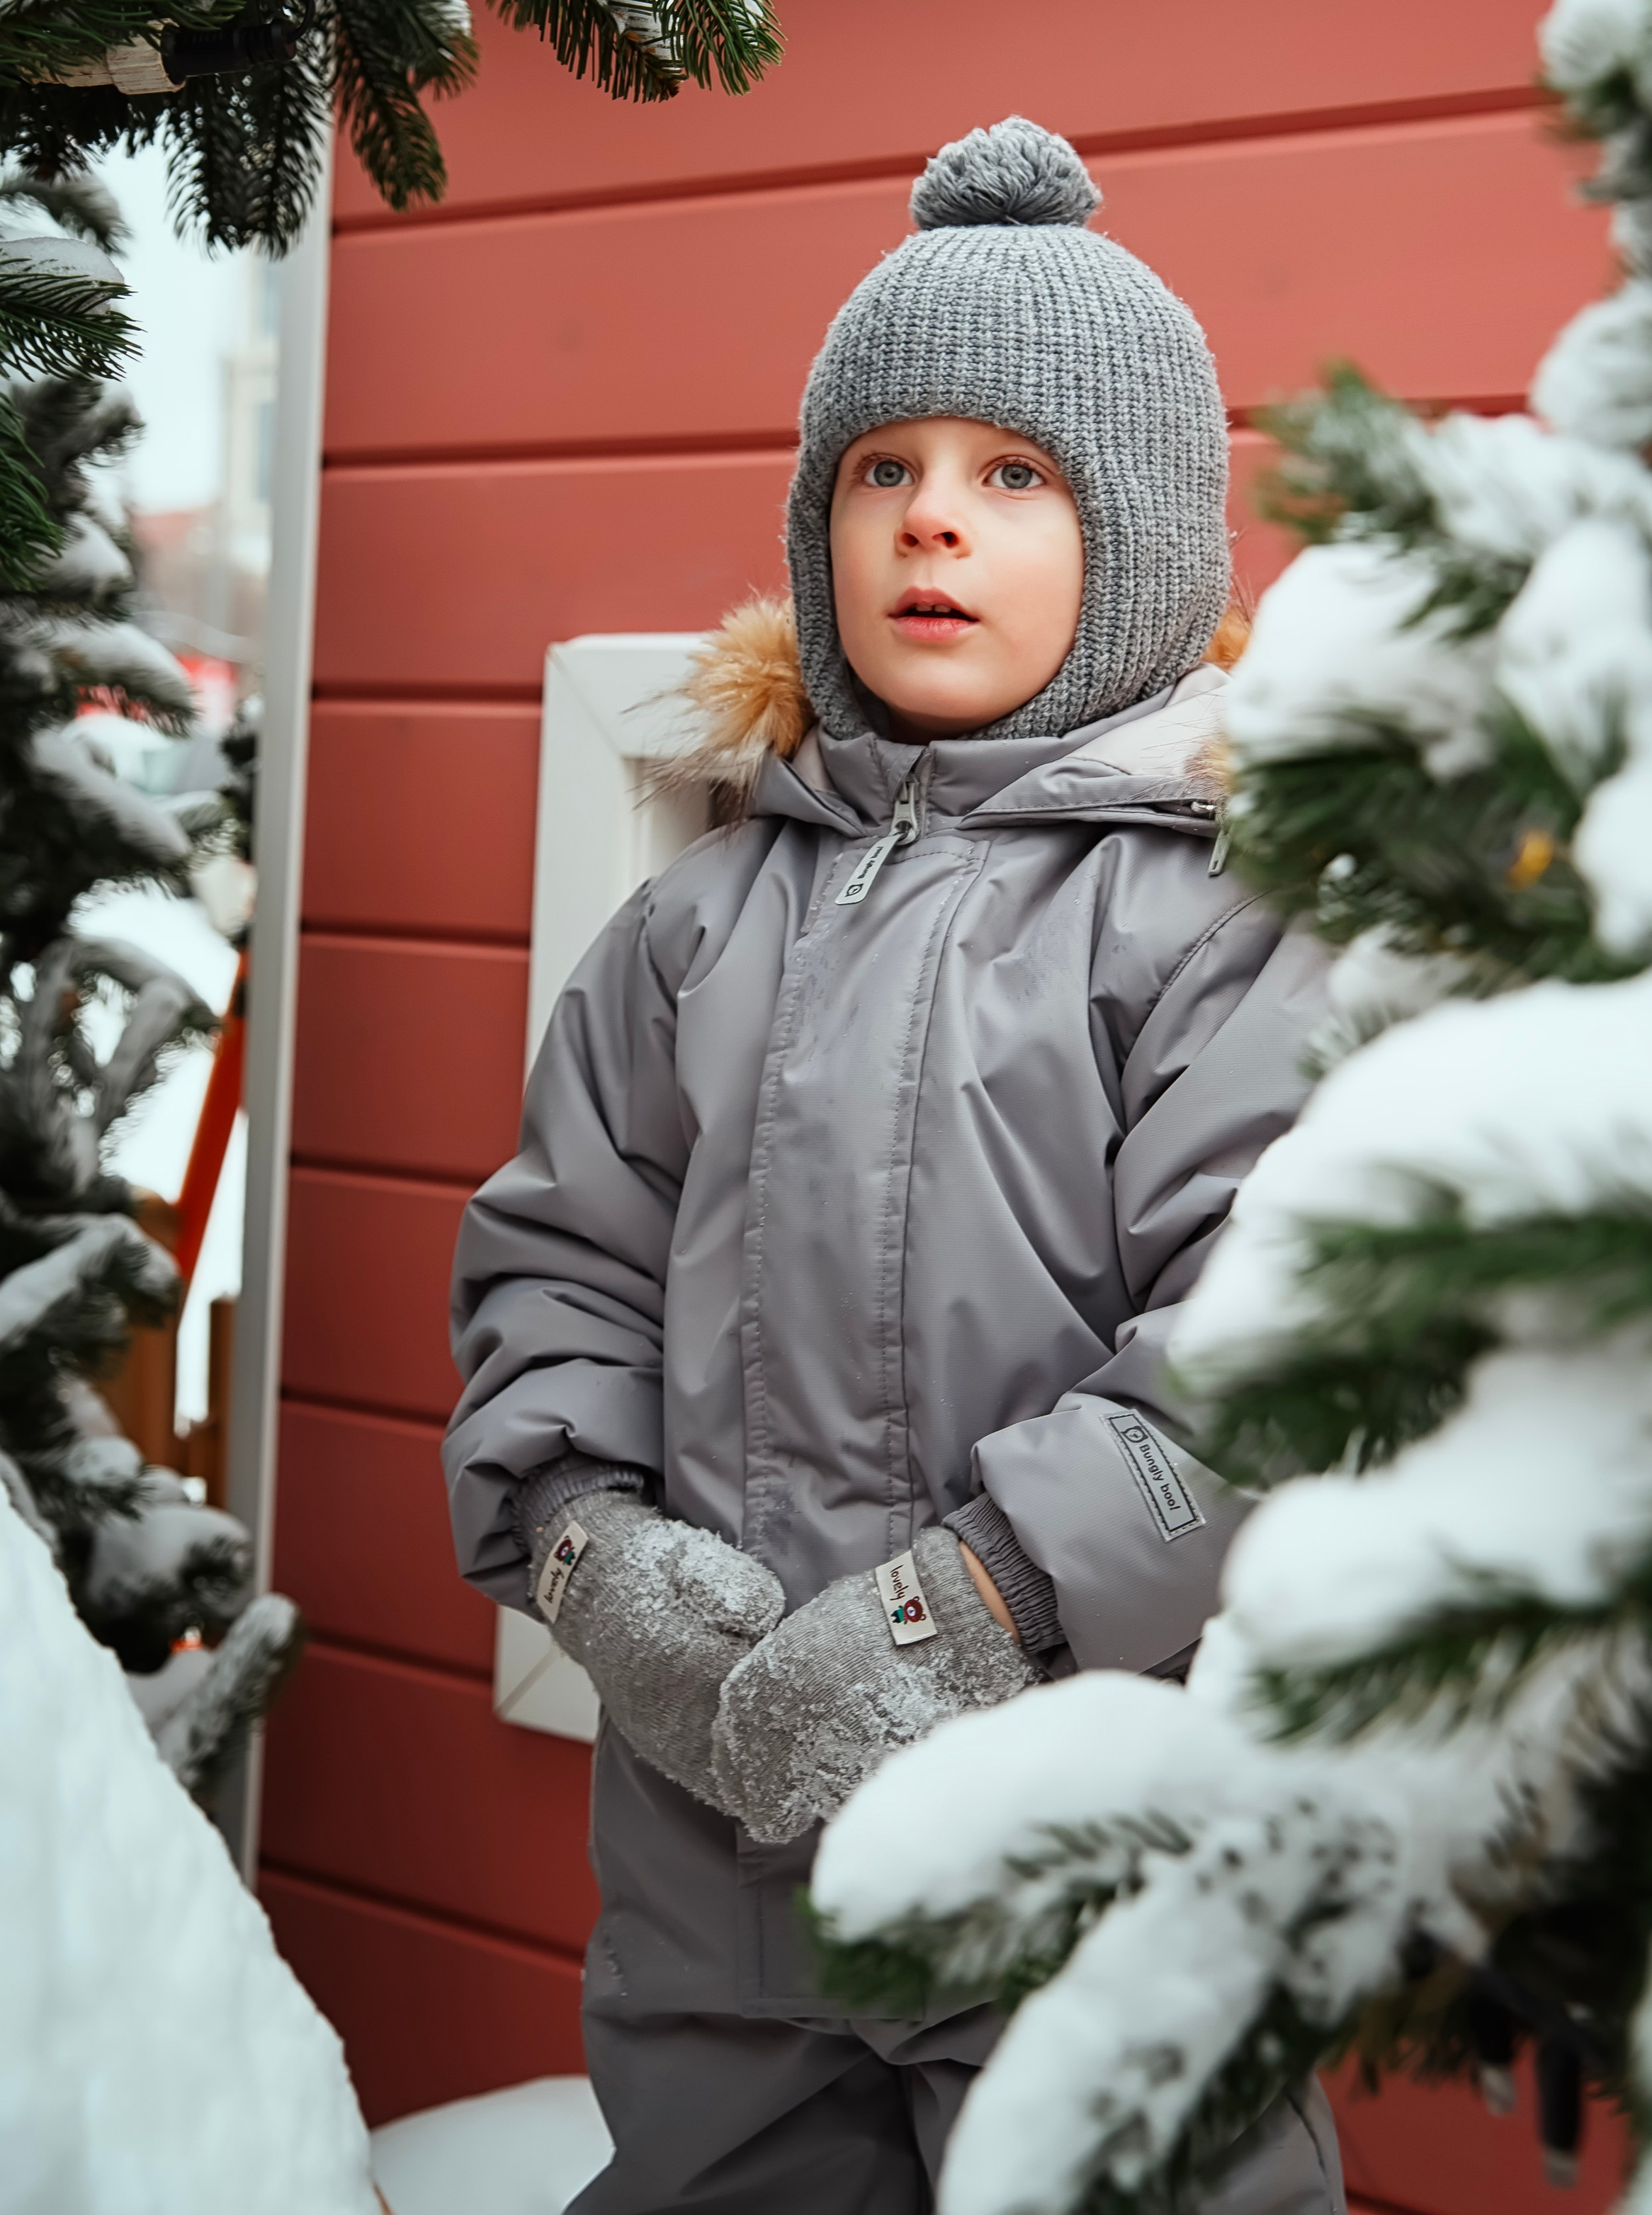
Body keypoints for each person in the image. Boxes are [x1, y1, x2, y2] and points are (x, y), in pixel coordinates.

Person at [444, 119, 1342, 2215]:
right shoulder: (696, 923)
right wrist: (588, 1549)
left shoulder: (1215, 921)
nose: (934, 523)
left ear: (1144, 541)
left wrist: (989, 1605)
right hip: (721, 1862)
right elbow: (559, 1273)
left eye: (1016, 476)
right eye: (884, 471)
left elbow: (1279, 1344)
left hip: (1087, 1846)